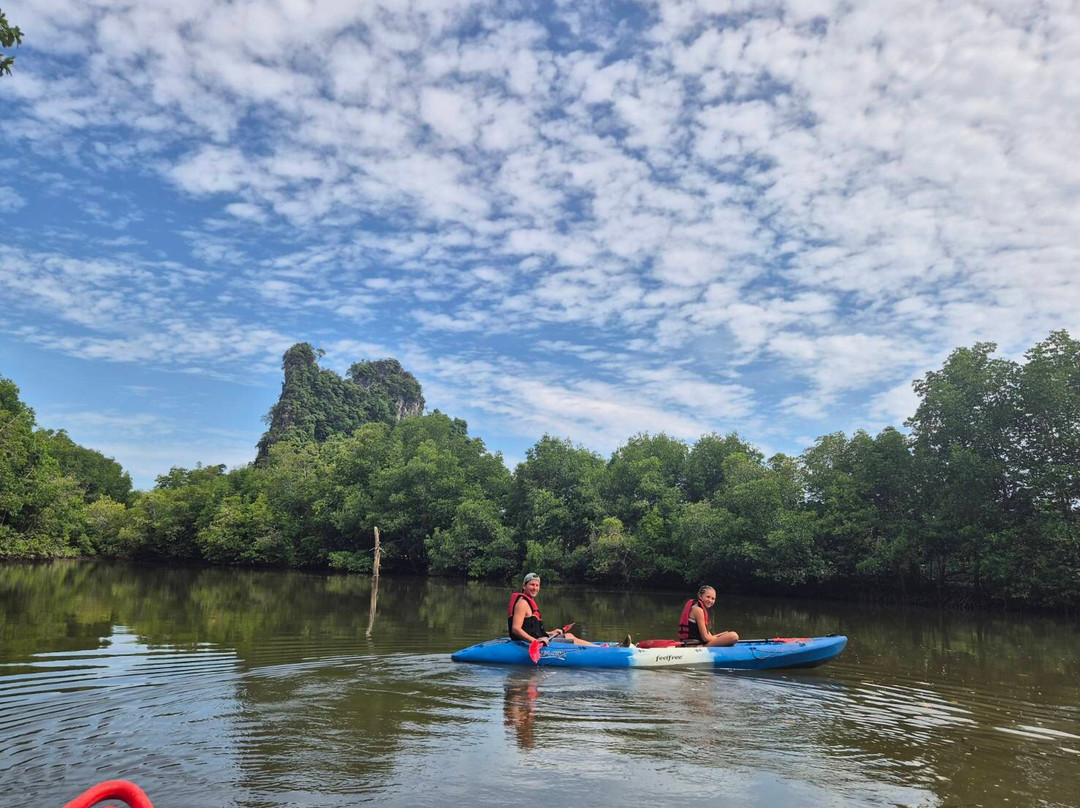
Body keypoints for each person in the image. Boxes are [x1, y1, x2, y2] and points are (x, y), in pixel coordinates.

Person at [508, 572, 598, 646]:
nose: (535, 588)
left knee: (569, 635)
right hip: (530, 642)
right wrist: (535, 642)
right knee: (573, 642)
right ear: (524, 586)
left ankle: (599, 648)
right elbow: (515, 629)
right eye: (532, 585)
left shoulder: (529, 602)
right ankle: (600, 650)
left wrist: (551, 632)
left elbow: (532, 630)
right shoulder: (522, 603)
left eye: (537, 585)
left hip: (537, 638)